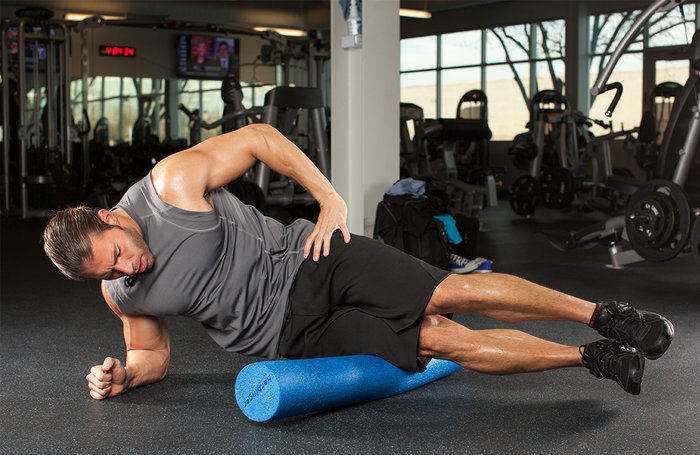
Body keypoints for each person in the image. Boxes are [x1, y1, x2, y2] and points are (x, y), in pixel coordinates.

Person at [42, 124, 674, 401]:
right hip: (288, 335)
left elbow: (261, 138)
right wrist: (125, 376)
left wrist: (330, 200)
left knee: (450, 292)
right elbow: (152, 354)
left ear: (108, 216)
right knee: (438, 339)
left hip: (313, 258)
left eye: (118, 254)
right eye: (109, 274)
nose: (127, 269)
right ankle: (589, 357)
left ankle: (606, 316)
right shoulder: (123, 294)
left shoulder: (171, 184)